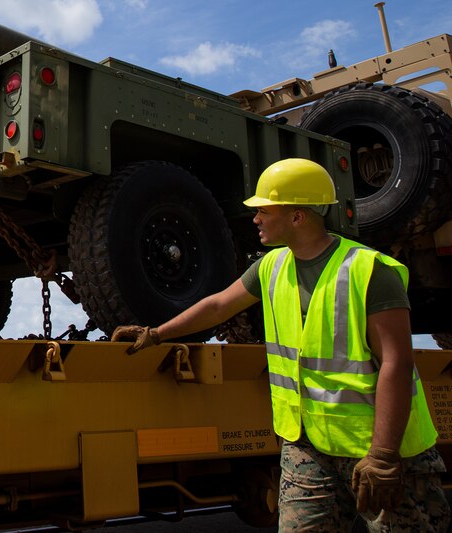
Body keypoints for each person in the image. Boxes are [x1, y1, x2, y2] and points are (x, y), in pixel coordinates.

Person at [113, 158, 449, 532]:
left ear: (297, 216)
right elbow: (219, 305)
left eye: (264, 210)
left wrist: (384, 455)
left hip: (382, 451)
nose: (255, 218)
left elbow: (396, 364)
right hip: (309, 447)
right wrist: (157, 333)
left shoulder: (370, 271)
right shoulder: (271, 267)